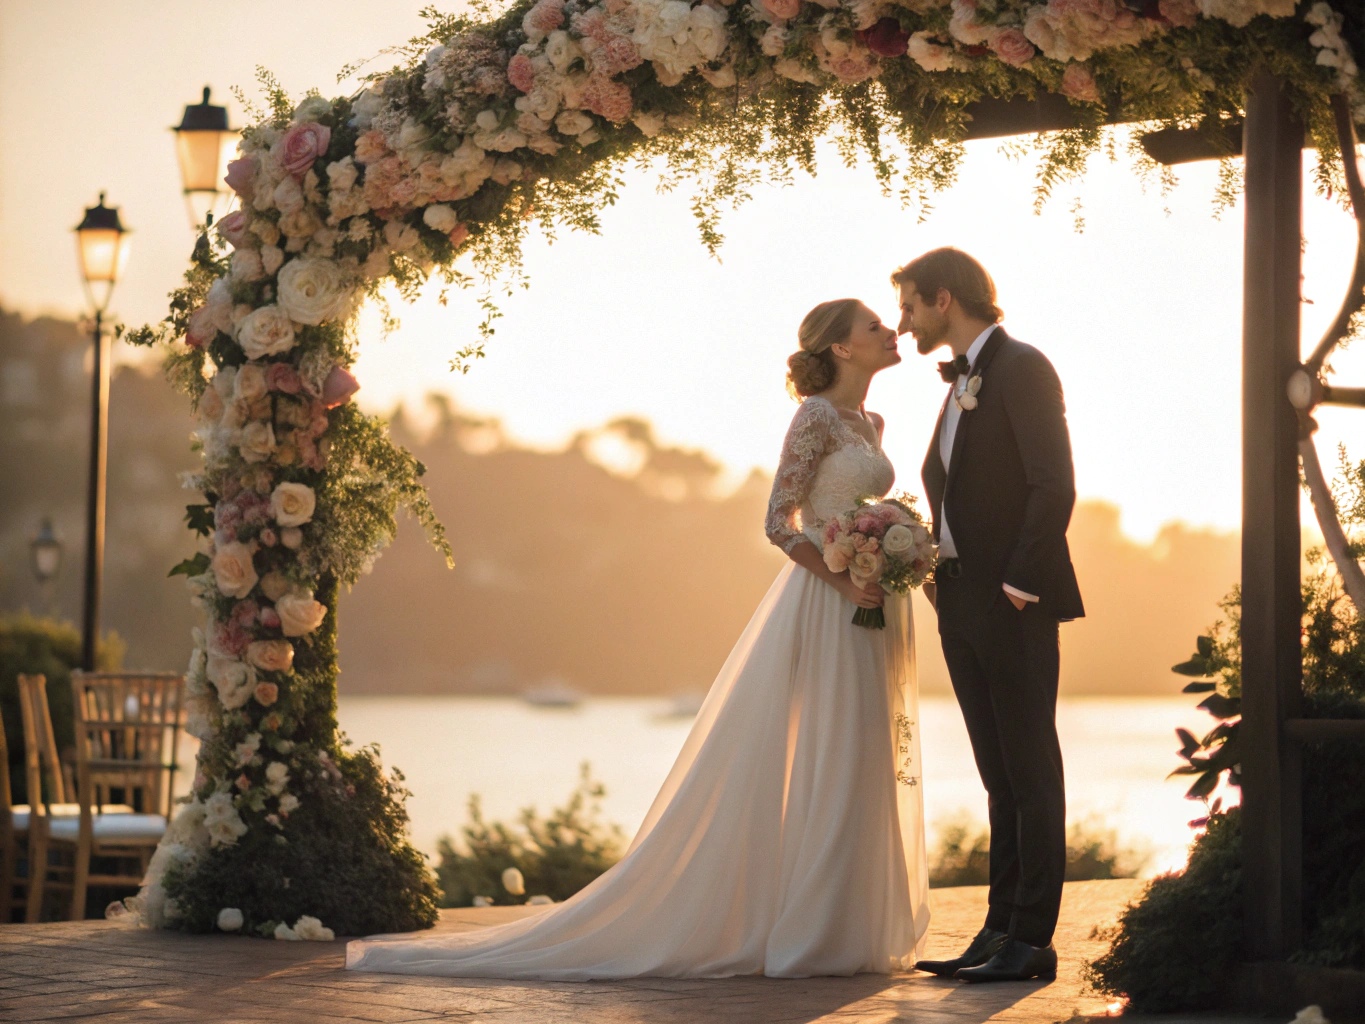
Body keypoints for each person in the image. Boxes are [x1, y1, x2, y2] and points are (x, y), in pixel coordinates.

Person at [346, 298, 930, 979]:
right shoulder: (815, 417)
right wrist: (840, 577)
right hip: (829, 605)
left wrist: (890, 548)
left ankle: (852, 928)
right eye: (873, 327)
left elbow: (854, 511)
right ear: (839, 349)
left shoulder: (873, 422)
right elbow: (779, 521)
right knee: (828, 747)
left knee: (866, 750)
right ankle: (811, 932)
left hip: (874, 606)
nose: (890, 332)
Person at [896, 248, 1084, 983]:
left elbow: (1053, 483)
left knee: (1030, 771)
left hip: (1011, 601)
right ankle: (997, 929)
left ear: (944, 299)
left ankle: (1031, 940)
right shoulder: (960, 383)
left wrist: (1017, 584)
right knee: (997, 776)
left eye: (911, 305)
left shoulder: (1023, 367)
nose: (904, 321)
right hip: (961, 602)